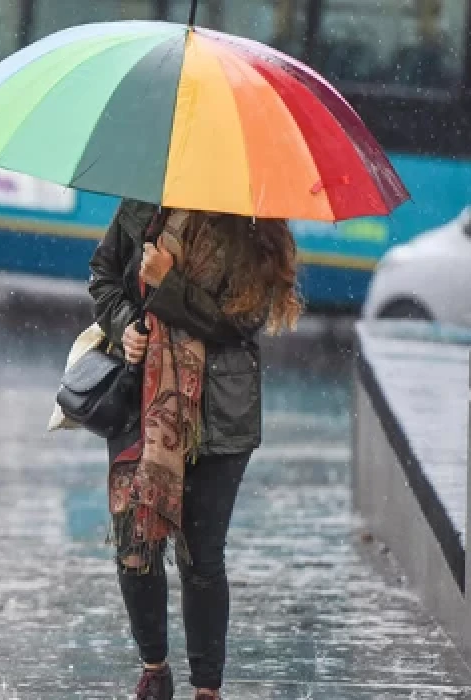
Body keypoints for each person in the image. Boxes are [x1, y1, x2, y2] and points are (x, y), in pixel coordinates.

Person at [88, 199, 302, 699]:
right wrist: (126, 327)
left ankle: (207, 688)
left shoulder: (250, 220)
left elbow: (241, 322)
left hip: (219, 413)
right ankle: (154, 669)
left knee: (200, 558)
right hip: (141, 401)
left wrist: (167, 285)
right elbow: (103, 276)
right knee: (135, 546)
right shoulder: (143, 205)